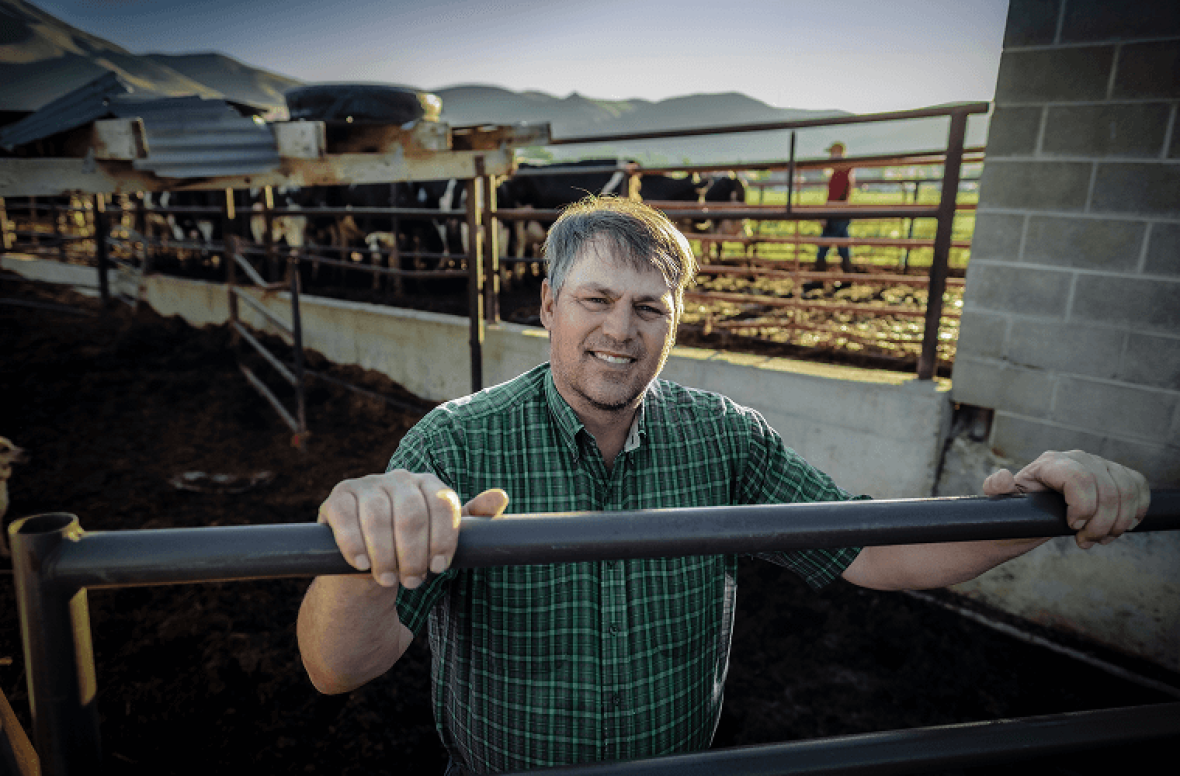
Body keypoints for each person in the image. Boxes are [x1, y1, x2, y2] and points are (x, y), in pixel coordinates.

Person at [298, 197, 1150, 775]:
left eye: (650, 308)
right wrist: (370, 547)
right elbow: (336, 670)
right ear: (548, 305)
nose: (619, 332)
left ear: (677, 322)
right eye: (596, 299)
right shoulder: (454, 440)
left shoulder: (723, 436)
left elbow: (873, 552)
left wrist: (1048, 505)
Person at [814, 140, 855, 276]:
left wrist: (824, 215)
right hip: (841, 212)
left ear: (839, 152)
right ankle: (848, 275)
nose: (830, 156)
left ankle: (818, 278)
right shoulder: (844, 171)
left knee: (824, 245)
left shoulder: (840, 172)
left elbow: (834, 196)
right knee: (842, 246)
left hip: (835, 212)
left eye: (832, 153)